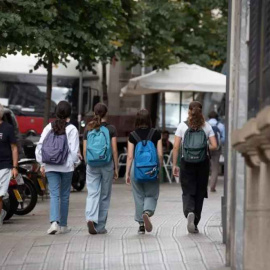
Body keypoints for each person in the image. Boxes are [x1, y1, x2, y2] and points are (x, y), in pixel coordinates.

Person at [35, 101, 80, 235]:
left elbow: (40, 147)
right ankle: (64, 226)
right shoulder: (72, 129)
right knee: (64, 195)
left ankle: (54, 222)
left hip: (50, 165)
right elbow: (73, 151)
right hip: (66, 167)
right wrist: (75, 163)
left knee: (54, 194)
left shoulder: (48, 127)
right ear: (69, 114)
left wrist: (42, 164)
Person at [172, 101, 217, 234]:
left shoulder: (182, 126)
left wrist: (175, 164)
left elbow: (176, 147)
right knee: (200, 191)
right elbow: (215, 145)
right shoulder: (207, 126)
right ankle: (195, 220)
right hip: (202, 163)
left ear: (189, 111)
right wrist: (203, 148)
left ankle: (189, 211)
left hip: (186, 162)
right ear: (201, 111)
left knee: (187, 190)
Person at [125, 109, 163, 234]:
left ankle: (141, 224)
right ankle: (147, 212)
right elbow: (160, 154)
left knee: (138, 196)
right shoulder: (156, 133)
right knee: (151, 194)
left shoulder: (133, 135)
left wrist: (127, 173)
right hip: (152, 169)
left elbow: (130, 156)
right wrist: (159, 168)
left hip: (137, 169)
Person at [83, 103, 118, 235]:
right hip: (107, 163)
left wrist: (88, 163)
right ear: (106, 113)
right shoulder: (111, 129)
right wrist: (116, 167)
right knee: (104, 195)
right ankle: (100, 226)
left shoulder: (89, 128)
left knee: (92, 193)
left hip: (92, 164)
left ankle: (90, 218)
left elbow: (85, 149)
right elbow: (114, 150)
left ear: (94, 113)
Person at [0, 104, 18, 227]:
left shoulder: (8, 128)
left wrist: (15, 167)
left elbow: (14, 148)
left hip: (4, 165)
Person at [208, 111, 225, 192]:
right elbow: (224, 139)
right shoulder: (221, 126)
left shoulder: (204, 124)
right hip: (217, 149)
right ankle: (212, 186)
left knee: (203, 167)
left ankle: (202, 185)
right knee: (215, 168)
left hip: (206, 148)